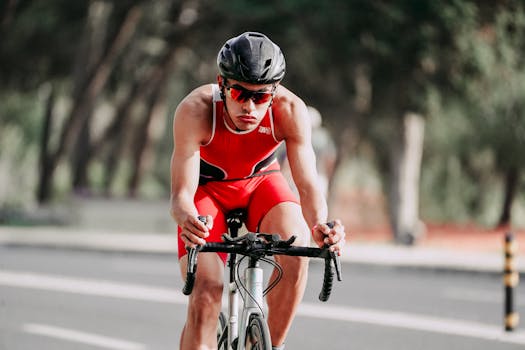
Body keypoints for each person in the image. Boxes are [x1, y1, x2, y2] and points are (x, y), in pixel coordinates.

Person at [170, 31, 346, 350]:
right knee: (207, 293)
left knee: (298, 246)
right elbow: (181, 195)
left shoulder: (291, 110)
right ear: (222, 83)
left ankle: (266, 346)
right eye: (240, 94)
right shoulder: (195, 109)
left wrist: (322, 225)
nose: (250, 107)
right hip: (207, 193)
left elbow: (307, 185)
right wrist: (188, 221)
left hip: (260, 184)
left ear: (274, 93)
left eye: (261, 96)